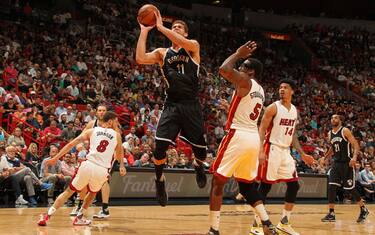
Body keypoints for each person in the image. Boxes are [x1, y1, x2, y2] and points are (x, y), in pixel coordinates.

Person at [136, 8, 207, 207]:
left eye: (179, 28)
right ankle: (159, 181)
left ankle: (198, 165)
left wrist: (160, 26)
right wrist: (144, 31)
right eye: (173, 26)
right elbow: (140, 58)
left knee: (201, 151)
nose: (175, 29)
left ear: (185, 33)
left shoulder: (192, 46)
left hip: (191, 105)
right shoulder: (162, 53)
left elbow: (182, 41)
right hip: (172, 105)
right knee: (159, 148)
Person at [207, 41, 277, 235]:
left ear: (251, 71)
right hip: (252, 138)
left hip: (237, 135)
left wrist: (238, 53)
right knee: (246, 186)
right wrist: (228, 109)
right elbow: (247, 112)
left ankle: (214, 229)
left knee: (217, 182)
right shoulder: (260, 90)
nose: (240, 67)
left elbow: (223, 69)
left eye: (244, 66)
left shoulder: (245, 81)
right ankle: (267, 222)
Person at [37, 111, 126, 226]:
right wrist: (122, 165)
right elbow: (119, 155)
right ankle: (79, 217)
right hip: (102, 170)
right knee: (93, 193)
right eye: (116, 121)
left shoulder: (92, 131)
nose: (117, 124)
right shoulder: (117, 135)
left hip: (88, 165)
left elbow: (71, 144)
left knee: (69, 191)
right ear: (110, 121)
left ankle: (47, 216)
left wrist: (55, 158)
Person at [256, 79, 316, 235]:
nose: (282, 90)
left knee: (294, 185)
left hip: (286, 152)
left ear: (292, 91)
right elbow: (261, 128)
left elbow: (293, 134)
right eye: (280, 87)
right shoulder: (273, 107)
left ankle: (284, 222)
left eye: (285, 87)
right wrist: (261, 149)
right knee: (265, 186)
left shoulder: (294, 110)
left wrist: (302, 153)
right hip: (272, 148)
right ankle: (257, 225)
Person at [321, 114, 369, 223]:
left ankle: (363, 209)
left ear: (340, 120)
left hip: (347, 163)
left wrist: (355, 157)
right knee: (331, 187)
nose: (333, 119)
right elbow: (332, 148)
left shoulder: (345, 131)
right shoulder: (329, 134)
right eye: (332, 118)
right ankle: (331, 213)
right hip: (336, 164)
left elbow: (355, 145)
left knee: (350, 189)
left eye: (336, 118)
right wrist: (325, 158)